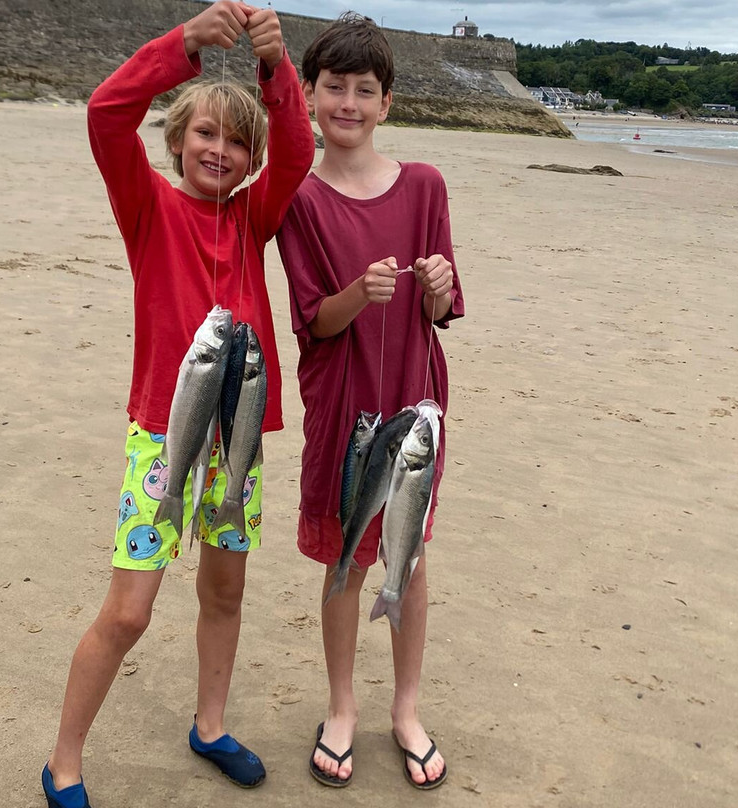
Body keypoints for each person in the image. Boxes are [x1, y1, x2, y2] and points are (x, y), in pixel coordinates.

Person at [41, 2, 314, 805]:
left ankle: (210, 724)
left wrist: (275, 69)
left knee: (224, 591)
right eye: (204, 135)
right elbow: (105, 113)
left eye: (235, 141)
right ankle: (63, 760)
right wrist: (186, 46)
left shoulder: (258, 214)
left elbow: (297, 149)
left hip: (240, 439)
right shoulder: (147, 206)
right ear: (178, 140)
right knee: (128, 613)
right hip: (161, 435)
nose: (219, 151)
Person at [276, 13, 464, 790]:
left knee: (407, 558)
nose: (348, 103)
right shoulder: (299, 201)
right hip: (344, 405)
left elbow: (442, 311)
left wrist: (439, 289)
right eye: (333, 88)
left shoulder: (424, 185)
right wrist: (359, 293)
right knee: (348, 558)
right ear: (311, 98)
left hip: (412, 405)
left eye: (364, 90)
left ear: (387, 102)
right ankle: (343, 706)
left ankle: (407, 709)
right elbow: (314, 321)